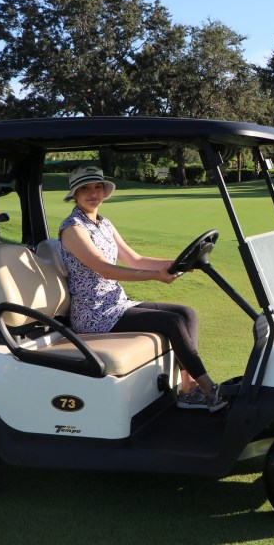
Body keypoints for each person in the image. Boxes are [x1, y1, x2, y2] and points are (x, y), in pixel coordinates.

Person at [58, 165, 225, 410]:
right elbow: (105, 269)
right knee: (172, 323)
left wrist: (175, 264)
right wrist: (154, 276)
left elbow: (134, 259)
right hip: (94, 313)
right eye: (85, 188)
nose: (93, 193)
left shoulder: (104, 224)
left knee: (186, 313)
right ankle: (210, 390)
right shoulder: (73, 228)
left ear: (104, 191)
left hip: (115, 303)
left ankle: (189, 389)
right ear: (74, 194)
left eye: (97, 187)